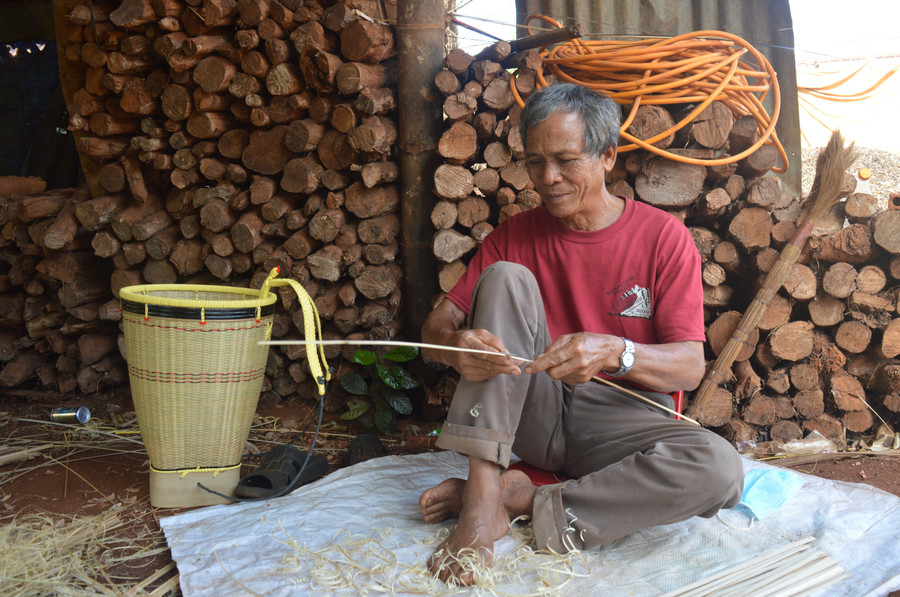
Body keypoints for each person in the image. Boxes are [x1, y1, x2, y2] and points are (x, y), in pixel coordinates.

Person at [418, 83, 744, 585]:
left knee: (719, 469)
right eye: (535, 162)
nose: (548, 179)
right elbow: (436, 327)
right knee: (505, 277)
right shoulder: (513, 236)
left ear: (607, 156)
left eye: (566, 160)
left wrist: (618, 351)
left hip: (620, 421)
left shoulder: (663, 238)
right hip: (530, 406)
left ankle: (527, 498)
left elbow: (688, 365)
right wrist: (456, 347)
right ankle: (482, 504)